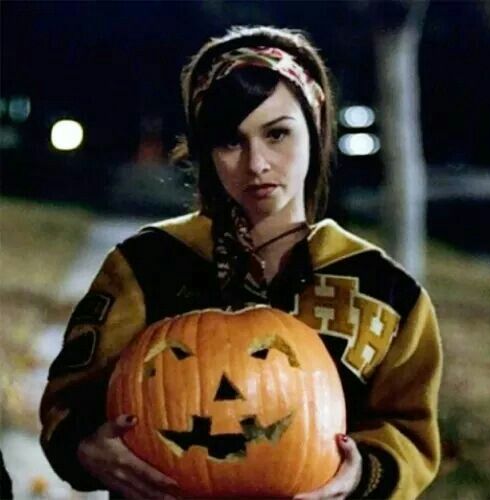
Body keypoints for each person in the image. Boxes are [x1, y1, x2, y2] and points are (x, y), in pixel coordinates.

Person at [39, 25, 442, 499]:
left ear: (315, 129)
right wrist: (87, 448)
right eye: (231, 141)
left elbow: (410, 432)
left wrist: (359, 476)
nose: (257, 164)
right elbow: (66, 404)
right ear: (207, 152)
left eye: (277, 134)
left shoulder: (384, 291)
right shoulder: (146, 266)